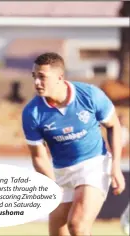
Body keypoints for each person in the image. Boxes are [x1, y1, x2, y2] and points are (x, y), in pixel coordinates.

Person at [21, 52, 126, 236]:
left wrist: (116, 166)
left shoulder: (90, 95)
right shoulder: (32, 112)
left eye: (42, 77)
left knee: (77, 225)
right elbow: (39, 156)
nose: (37, 82)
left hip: (93, 165)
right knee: (58, 231)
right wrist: (52, 185)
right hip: (61, 172)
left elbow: (113, 125)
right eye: (34, 77)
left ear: (60, 77)